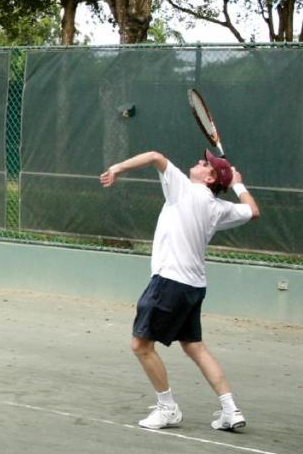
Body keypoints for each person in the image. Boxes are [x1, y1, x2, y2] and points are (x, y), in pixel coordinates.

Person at [99, 149, 260, 432]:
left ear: (209, 177)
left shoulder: (183, 189)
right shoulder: (219, 208)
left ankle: (167, 408)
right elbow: (253, 211)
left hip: (169, 282)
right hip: (194, 287)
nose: (198, 162)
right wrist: (237, 183)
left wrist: (117, 167)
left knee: (141, 346)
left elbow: (154, 156)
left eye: (204, 163)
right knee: (194, 346)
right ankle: (230, 410)